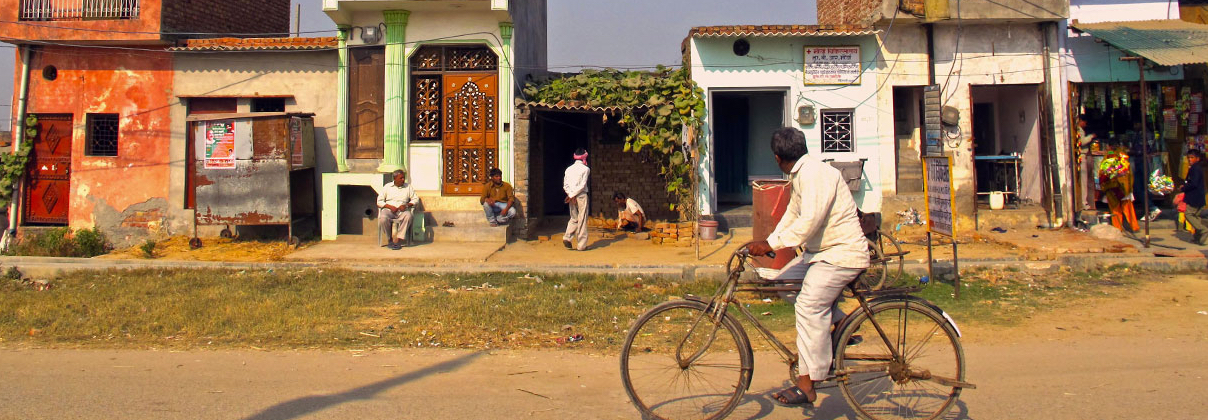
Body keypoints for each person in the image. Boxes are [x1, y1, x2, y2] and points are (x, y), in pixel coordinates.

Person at [746, 127, 870, 406]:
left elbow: (808, 222)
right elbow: (793, 214)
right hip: (820, 254)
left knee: (808, 306)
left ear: (777, 158)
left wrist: (771, 245)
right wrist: (769, 240)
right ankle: (840, 324)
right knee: (782, 282)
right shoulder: (801, 174)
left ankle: (807, 384)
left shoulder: (815, 175)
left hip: (841, 254)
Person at [377, 169, 419, 250]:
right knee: (383, 218)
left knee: (408, 216)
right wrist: (389, 206)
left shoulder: (408, 187)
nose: (403, 180)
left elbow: (415, 199)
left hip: (402, 211)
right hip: (389, 210)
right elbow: (379, 201)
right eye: (401, 178)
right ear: (395, 178)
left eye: (404, 178)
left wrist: (406, 205)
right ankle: (390, 240)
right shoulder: (387, 187)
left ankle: (398, 240)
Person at [1101, 148, 1139, 232]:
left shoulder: (1107, 158)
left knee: (1115, 209)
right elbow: (1130, 176)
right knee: (1128, 208)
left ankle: (1118, 228)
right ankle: (1134, 226)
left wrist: (1104, 188)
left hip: (1112, 188)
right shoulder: (1124, 159)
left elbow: (1102, 175)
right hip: (1125, 188)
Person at [563, 148, 590, 251]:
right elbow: (583, 185)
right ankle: (581, 245)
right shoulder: (586, 169)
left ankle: (567, 237)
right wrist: (574, 194)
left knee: (574, 217)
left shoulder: (568, 169)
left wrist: (570, 195)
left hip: (571, 196)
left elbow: (565, 185)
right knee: (582, 219)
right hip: (581, 196)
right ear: (584, 157)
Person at [1182, 149, 1206, 245]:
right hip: (1199, 197)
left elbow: (1194, 184)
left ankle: (1203, 230)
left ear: (1197, 158)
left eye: (1192, 158)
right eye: (1188, 158)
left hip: (1195, 197)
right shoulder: (1196, 167)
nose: (1190, 160)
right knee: (1196, 217)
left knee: (1188, 214)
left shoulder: (1195, 168)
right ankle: (1199, 238)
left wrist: (1184, 188)